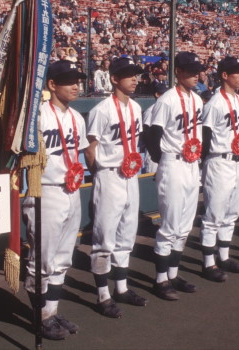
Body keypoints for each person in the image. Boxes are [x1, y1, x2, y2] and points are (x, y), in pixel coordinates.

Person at [23, 60, 89, 340]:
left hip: (72, 190)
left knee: (62, 258)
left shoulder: (77, 117)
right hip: (46, 191)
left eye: (78, 80)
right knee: (43, 260)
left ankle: (51, 310)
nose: (76, 85)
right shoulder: (36, 115)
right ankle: (40, 318)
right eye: (69, 80)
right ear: (51, 85)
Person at [85, 57, 147, 318]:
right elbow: (90, 148)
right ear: (114, 79)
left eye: (136, 74)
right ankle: (102, 295)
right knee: (104, 238)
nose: (135, 79)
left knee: (126, 234)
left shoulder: (135, 107)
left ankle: (121, 288)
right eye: (128, 75)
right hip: (109, 175)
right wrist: (99, 173)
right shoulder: (101, 110)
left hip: (130, 176)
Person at [146, 52, 204, 300]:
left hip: (192, 164)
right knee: (169, 225)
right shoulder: (167, 100)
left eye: (197, 71)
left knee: (184, 226)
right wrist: (163, 160)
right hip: (173, 162)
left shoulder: (198, 100)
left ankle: (173, 273)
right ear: (178, 72)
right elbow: (151, 135)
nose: (195, 75)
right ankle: (160, 281)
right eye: (190, 71)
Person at [200, 56, 239, 282]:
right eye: (236, 72)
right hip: (219, 160)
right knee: (214, 214)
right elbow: (206, 136)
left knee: (231, 213)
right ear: (224, 75)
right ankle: (208, 263)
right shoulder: (214, 103)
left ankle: (224, 256)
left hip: (236, 160)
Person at [142, 83, 168, 173]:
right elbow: (146, 133)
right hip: (152, 152)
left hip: (164, 151)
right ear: (157, 94)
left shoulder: (167, 109)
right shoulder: (150, 110)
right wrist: (154, 152)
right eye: (163, 93)